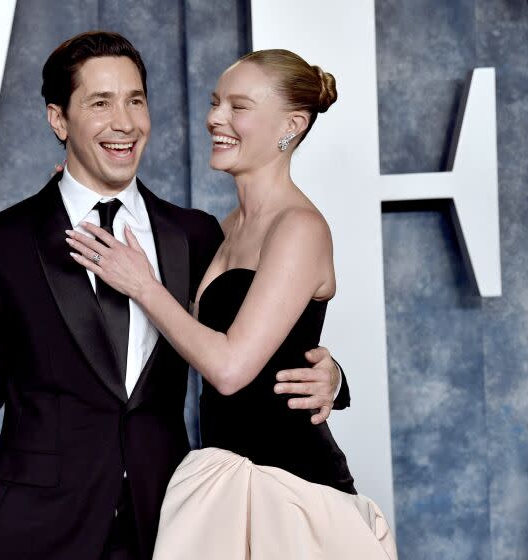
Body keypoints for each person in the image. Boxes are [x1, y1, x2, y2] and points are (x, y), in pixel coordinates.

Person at [0, 32, 350, 560]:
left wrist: (333, 377)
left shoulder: (196, 235)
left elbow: (263, 332)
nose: (125, 122)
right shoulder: (2, 243)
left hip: (170, 523)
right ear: (59, 120)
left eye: (135, 100)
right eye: (100, 103)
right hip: (35, 532)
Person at [66, 48, 397, 558]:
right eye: (216, 102)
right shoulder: (217, 231)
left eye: (238, 106)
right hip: (223, 486)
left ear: (291, 125)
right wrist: (333, 374)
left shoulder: (300, 228)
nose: (214, 118)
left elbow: (229, 367)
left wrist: (144, 286)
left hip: (293, 495)